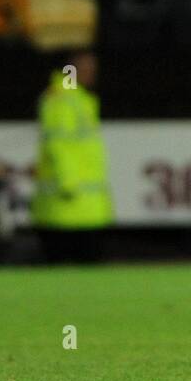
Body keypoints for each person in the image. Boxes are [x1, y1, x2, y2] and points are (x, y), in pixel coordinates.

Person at [33, 51, 113, 263]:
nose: (91, 74)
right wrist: (68, 184)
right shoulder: (62, 99)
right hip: (67, 204)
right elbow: (58, 145)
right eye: (86, 69)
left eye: (92, 69)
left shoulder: (79, 99)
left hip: (83, 207)